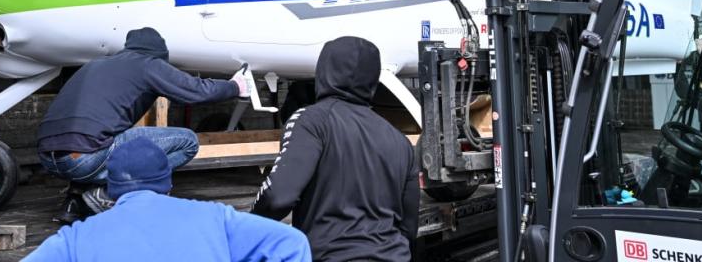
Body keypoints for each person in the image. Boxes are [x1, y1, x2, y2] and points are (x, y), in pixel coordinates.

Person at [37, 27, 248, 222]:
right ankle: (107, 195)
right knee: (188, 141)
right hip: (85, 158)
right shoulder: (148, 63)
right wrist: (234, 86)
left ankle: (73, 203)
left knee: (101, 135)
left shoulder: (96, 64)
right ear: (159, 54)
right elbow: (196, 90)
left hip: (48, 157)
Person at [251, 36, 420, 262]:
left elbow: (277, 197)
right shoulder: (400, 140)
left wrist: (247, 226)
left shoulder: (311, 120)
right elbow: (409, 227)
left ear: (324, 71)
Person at [23, 137, 311, 262]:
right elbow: (292, 243)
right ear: (168, 183)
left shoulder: (76, 239)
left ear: (110, 191)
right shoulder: (216, 219)